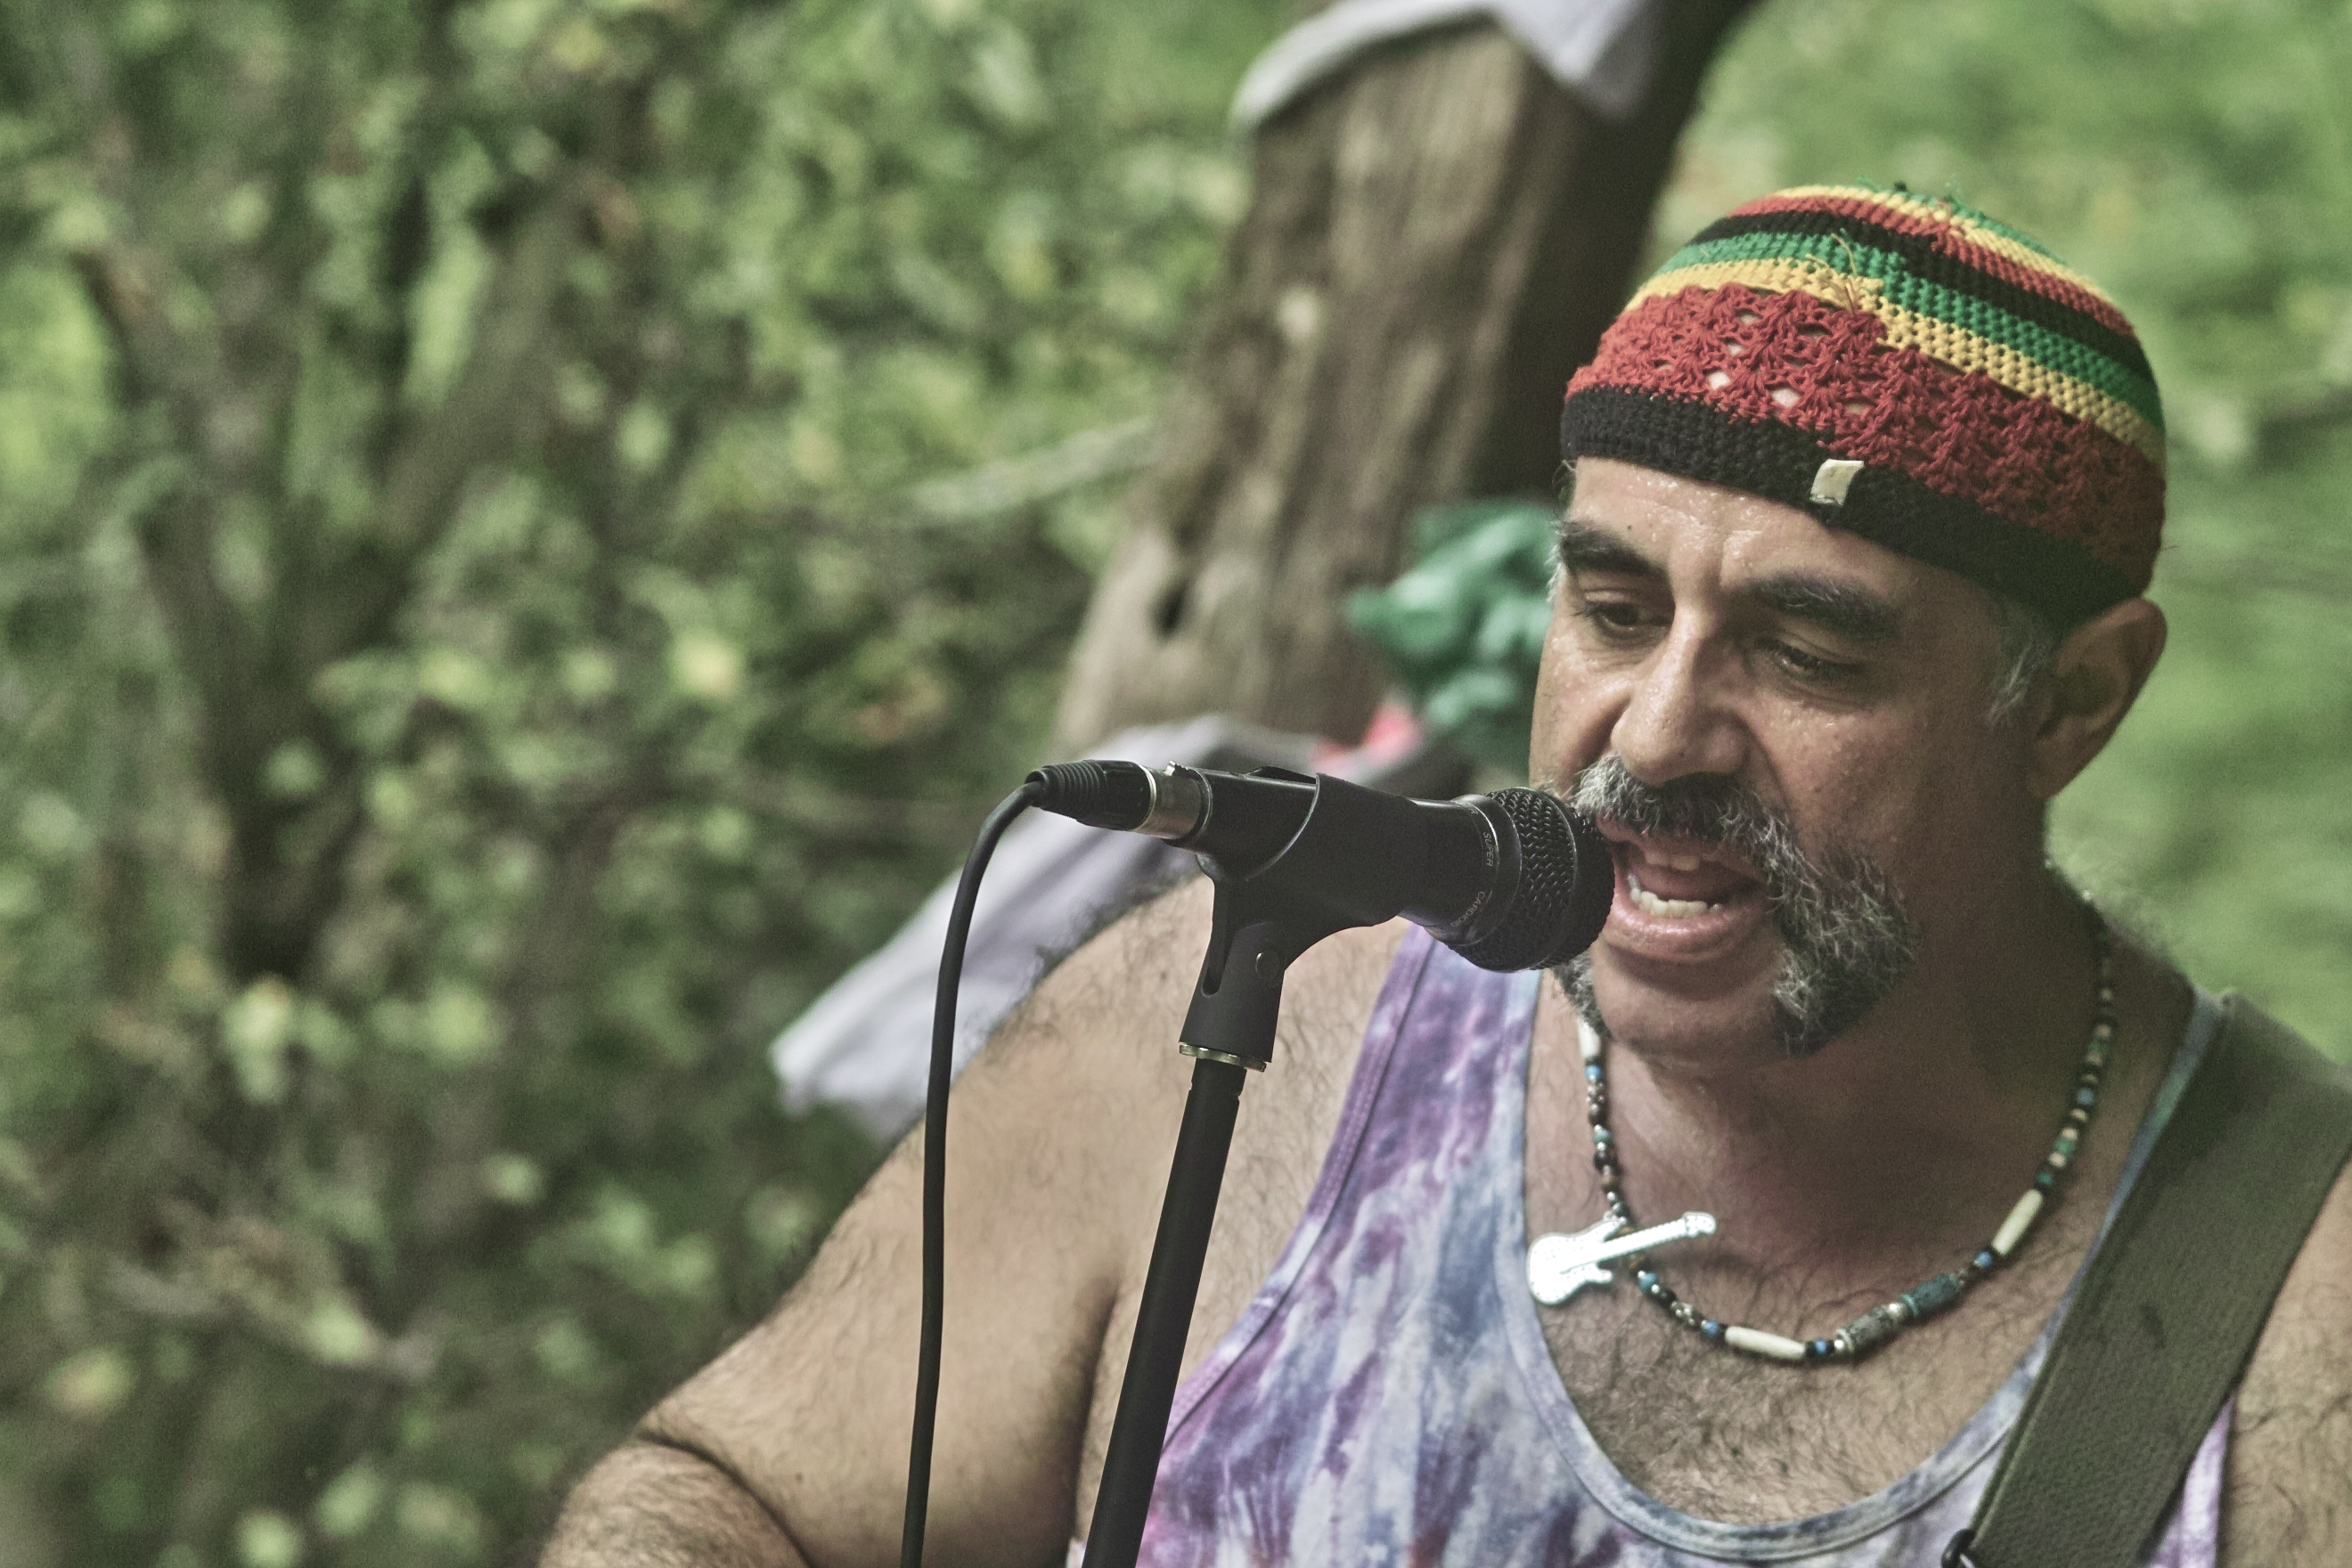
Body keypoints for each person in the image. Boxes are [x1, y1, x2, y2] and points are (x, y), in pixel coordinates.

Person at [542, 186, 2352, 1565]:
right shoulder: (1217, 1040)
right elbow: (728, 1493)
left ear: (2075, 702)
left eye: (1809, 653)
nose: (1660, 732)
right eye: (1614, 611)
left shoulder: (2297, 1300)